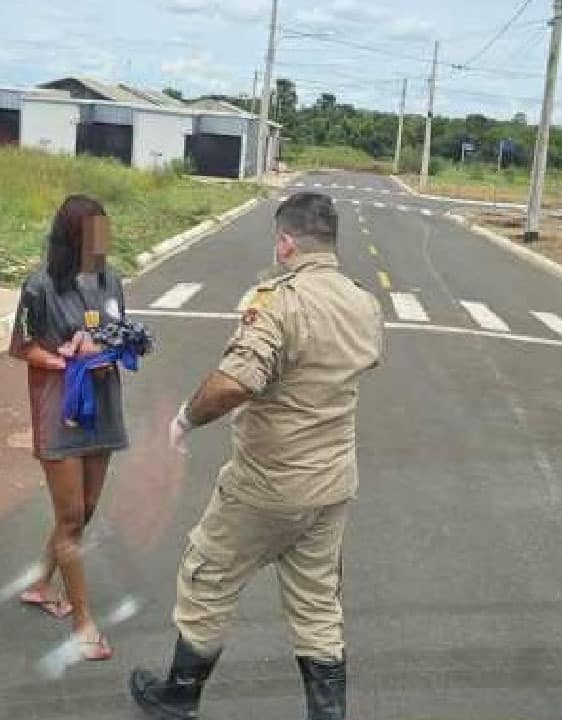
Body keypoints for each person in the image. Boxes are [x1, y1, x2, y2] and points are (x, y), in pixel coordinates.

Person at [129, 193, 384, 719]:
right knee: (316, 604)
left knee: (207, 576)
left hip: (268, 483)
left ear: (286, 242)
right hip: (332, 483)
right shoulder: (364, 301)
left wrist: (183, 420)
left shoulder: (279, 300)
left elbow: (234, 383)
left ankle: (179, 696)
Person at [8, 195, 129, 661]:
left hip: (104, 408)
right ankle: (83, 624)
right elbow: (21, 348)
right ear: (73, 236)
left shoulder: (111, 280)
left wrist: (111, 348)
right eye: (95, 230)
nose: (104, 239)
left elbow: (123, 332)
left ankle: (41, 584)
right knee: (73, 519)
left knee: (84, 510)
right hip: (59, 410)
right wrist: (66, 358)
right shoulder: (39, 287)